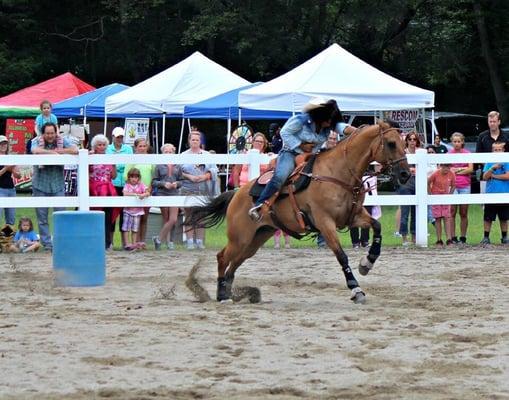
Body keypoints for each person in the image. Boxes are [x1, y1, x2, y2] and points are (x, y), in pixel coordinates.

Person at [248, 98, 355, 221]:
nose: (331, 121)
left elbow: (343, 127)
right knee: (281, 175)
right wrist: (300, 145)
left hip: (313, 156)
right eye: (329, 118)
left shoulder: (329, 123)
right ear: (321, 116)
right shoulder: (300, 121)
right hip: (291, 153)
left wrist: (360, 132)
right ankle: (259, 205)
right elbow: (285, 132)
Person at [31, 122, 78, 251]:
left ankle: (60, 242)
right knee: (42, 218)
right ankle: (47, 244)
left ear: (56, 132)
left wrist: (59, 151)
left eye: (52, 133)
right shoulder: (36, 140)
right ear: (43, 133)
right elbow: (35, 150)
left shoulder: (62, 140)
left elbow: (75, 149)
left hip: (57, 184)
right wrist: (52, 154)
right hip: (40, 183)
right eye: (47, 133)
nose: (50, 136)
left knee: (61, 215)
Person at [180, 131, 218, 250]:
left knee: (201, 215)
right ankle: (190, 241)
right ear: (189, 141)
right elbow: (178, 171)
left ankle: (200, 241)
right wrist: (189, 176)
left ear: (200, 141)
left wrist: (205, 176)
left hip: (203, 188)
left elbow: (214, 170)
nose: (195, 142)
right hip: (188, 188)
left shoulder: (207, 155)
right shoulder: (183, 155)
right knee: (189, 214)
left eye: (197, 140)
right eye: (193, 140)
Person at [89, 134, 119, 250]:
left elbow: (114, 176)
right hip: (94, 189)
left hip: (108, 189)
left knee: (107, 217)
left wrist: (114, 165)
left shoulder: (109, 157)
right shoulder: (90, 156)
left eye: (103, 145)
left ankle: (107, 242)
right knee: (94, 217)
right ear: (95, 146)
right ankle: (93, 242)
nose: (101, 147)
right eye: (99, 145)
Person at [123, 138, 154, 245]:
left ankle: (142, 241)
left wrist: (149, 188)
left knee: (145, 217)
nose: (142, 148)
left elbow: (154, 175)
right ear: (135, 147)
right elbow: (125, 175)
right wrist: (135, 186)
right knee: (135, 217)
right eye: (140, 146)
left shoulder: (151, 159)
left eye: (144, 146)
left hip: (147, 191)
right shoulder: (132, 159)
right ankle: (133, 242)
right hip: (135, 192)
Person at [106, 127, 133, 247]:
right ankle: (110, 241)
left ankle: (124, 242)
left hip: (125, 183)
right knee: (112, 212)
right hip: (113, 183)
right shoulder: (108, 149)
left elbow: (130, 163)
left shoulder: (128, 149)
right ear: (113, 137)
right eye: (118, 137)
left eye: (121, 137)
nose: (119, 139)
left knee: (124, 213)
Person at [151, 143, 182, 250]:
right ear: (162, 153)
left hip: (174, 194)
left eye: (170, 152)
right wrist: (164, 184)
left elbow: (182, 181)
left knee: (173, 219)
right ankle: (169, 243)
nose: (168, 153)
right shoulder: (158, 166)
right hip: (162, 193)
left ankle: (159, 239)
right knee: (166, 219)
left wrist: (176, 184)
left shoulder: (178, 165)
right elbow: (154, 182)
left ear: (174, 152)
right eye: (166, 152)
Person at [480, 141, 509, 245]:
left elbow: (507, 176)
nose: (497, 151)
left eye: (499, 149)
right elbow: (484, 177)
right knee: (488, 218)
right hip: (490, 194)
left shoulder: (507, 161)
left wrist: (495, 176)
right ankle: (486, 237)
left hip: (504, 194)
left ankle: (505, 237)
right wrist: (492, 168)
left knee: (504, 218)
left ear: (504, 150)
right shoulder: (489, 162)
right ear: (492, 151)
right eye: (495, 150)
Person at [448, 132, 473, 244]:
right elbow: (447, 170)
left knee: (463, 212)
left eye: (459, 141)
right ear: (452, 142)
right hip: (452, 185)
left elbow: (470, 169)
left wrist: (456, 170)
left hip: (465, 185)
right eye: (455, 141)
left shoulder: (468, 153)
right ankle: (453, 237)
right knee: (452, 211)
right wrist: (460, 170)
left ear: (462, 142)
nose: (457, 143)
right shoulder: (448, 154)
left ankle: (463, 237)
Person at [349, 165, 382, 248]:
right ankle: (355, 241)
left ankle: (365, 240)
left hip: (368, 183)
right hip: (355, 182)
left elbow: (378, 165)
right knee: (353, 215)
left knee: (367, 214)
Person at [398, 131, 420, 245]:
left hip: (418, 183)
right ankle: (404, 238)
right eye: (410, 139)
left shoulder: (420, 153)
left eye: (414, 139)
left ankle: (414, 237)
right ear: (406, 141)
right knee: (405, 212)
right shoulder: (403, 153)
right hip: (406, 184)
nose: (412, 141)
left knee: (415, 212)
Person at [122, 168, 150, 250]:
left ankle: (134, 244)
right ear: (129, 177)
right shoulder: (127, 185)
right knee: (126, 228)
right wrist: (135, 194)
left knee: (135, 229)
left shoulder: (141, 185)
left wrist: (144, 194)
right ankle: (127, 244)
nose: (134, 179)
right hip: (128, 210)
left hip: (138, 211)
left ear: (138, 178)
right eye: (132, 177)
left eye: (136, 177)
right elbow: (125, 193)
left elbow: (148, 192)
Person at [428, 164, 456, 246]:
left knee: (447, 217)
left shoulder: (451, 174)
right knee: (438, 218)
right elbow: (428, 182)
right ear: (441, 167)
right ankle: (439, 239)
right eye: (444, 167)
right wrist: (430, 194)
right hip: (436, 197)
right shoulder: (436, 173)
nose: (446, 169)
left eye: (448, 167)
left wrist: (450, 195)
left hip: (445, 197)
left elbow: (454, 185)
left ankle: (449, 239)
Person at [0, 135, 20, 226]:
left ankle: (6, 238)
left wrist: (11, 169)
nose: (3, 146)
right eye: (1, 144)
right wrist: (6, 168)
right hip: (0, 189)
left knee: (11, 218)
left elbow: (18, 175)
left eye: (5, 144)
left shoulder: (11, 157)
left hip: (11, 189)